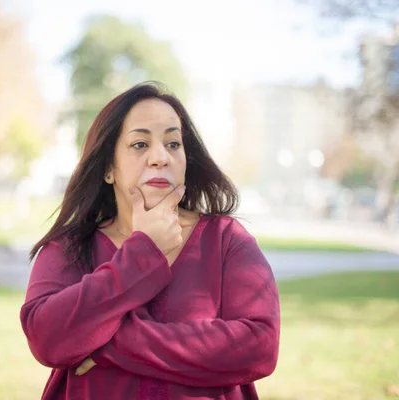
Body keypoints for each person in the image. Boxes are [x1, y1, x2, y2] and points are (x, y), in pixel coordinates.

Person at [20, 82, 280, 400]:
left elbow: (259, 346)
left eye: (173, 143)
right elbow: (47, 338)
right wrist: (143, 253)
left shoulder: (226, 240)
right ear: (108, 169)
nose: (160, 157)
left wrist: (106, 342)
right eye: (140, 144)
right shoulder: (69, 248)